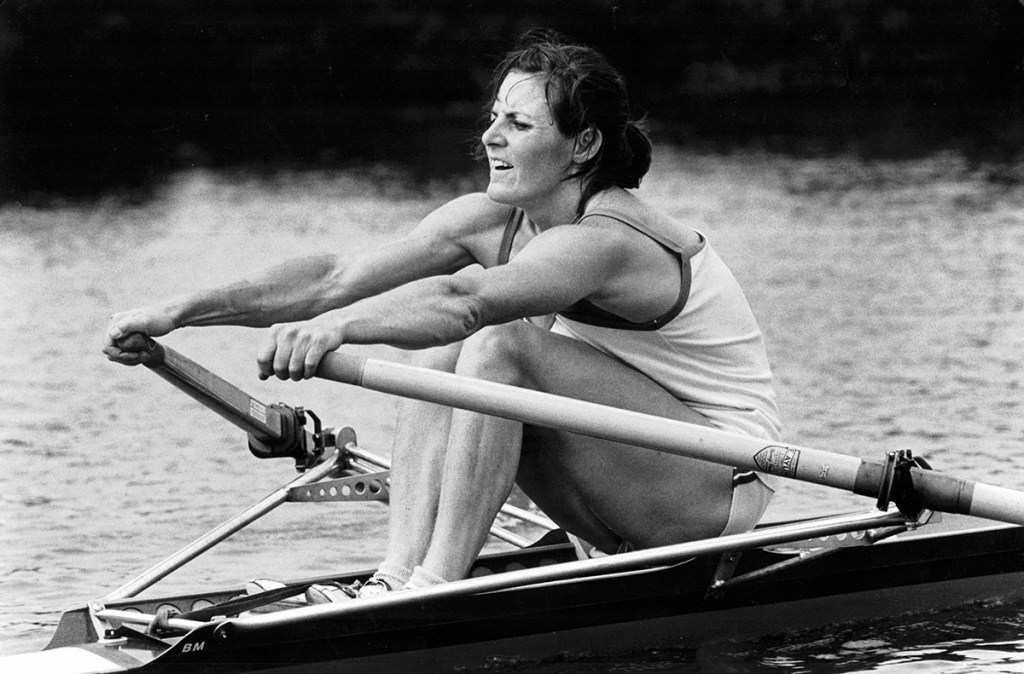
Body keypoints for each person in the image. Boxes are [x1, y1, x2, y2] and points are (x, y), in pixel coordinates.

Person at [104, 30, 781, 599]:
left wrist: (342, 330)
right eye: (494, 118)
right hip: (632, 469)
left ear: (584, 147)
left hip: (719, 487)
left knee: (497, 346)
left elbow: (468, 303)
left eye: (519, 125)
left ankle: (435, 584)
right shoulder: (496, 221)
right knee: (441, 363)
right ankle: (398, 577)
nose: (491, 137)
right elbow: (333, 277)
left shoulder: (610, 240)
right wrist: (179, 311)